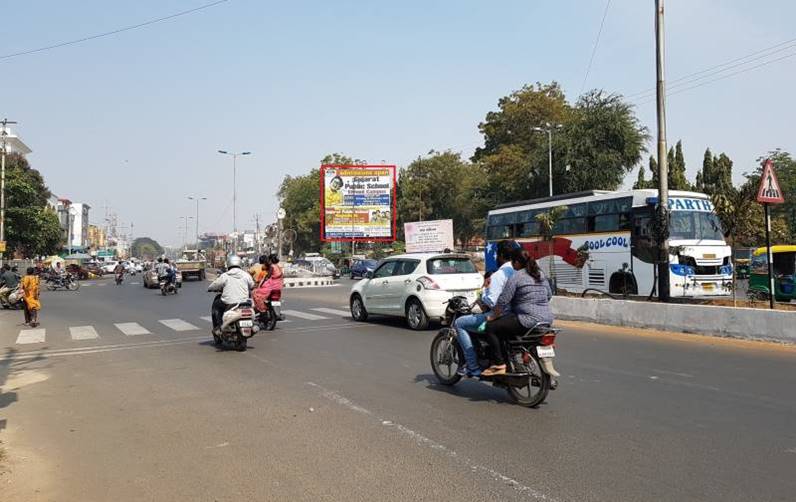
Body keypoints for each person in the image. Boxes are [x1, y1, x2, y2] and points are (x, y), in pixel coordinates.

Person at [453, 240, 519, 377]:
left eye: (496, 255)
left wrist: (482, 296)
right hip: (514, 315)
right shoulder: (517, 271)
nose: (495, 258)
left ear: (500, 255)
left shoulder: (499, 275)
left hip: (498, 314)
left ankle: (472, 366)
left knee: (459, 323)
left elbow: (491, 301)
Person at [481, 251, 554, 377]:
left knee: (491, 327)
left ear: (517, 263)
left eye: (513, 263)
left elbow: (503, 300)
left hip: (527, 320)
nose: (512, 266)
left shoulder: (516, 277)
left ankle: (499, 364)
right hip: (546, 320)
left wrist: (493, 316)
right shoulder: (540, 274)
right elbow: (549, 295)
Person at [207, 255, 254, 335]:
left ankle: (219, 326)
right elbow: (252, 285)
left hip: (229, 303)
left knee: (216, 305)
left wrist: (210, 289)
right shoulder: (246, 275)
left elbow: (213, 286)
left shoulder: (225, 276)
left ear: (228, 264)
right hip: (244, 303)